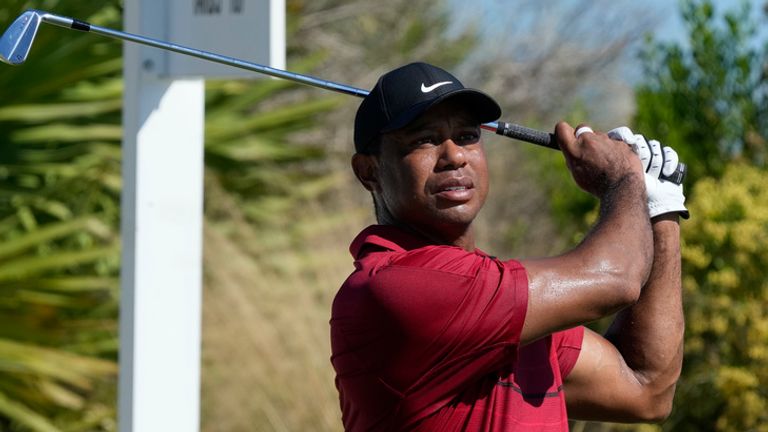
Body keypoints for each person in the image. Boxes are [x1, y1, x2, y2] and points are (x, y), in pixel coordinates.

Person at [330, 62, 688, 431]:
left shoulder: (503, 302)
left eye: (467, 136)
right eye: (424, 139)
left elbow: (647, 390)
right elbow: (616, 279)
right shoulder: (393, 288)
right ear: (368, 171)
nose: (454, 155)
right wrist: (625, 178)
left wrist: (661, 209)